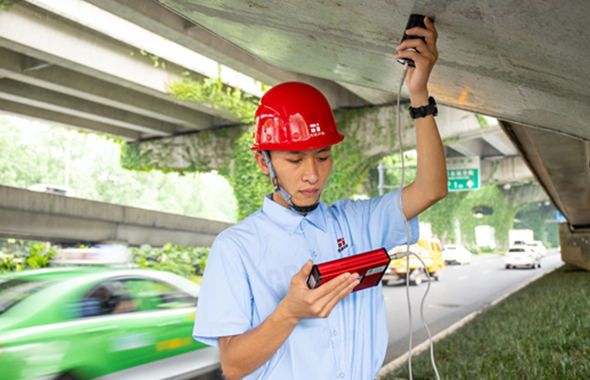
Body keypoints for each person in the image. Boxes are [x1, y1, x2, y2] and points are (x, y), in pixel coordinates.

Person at [193, 17, 446, 380]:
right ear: (263, 162)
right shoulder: (235, 248)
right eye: (295, 160)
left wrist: (419, 94)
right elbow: (233, 366)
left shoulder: (357, 222)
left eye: (323, 156)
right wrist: (290, 311)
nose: (312, 174)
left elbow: (432, 188)